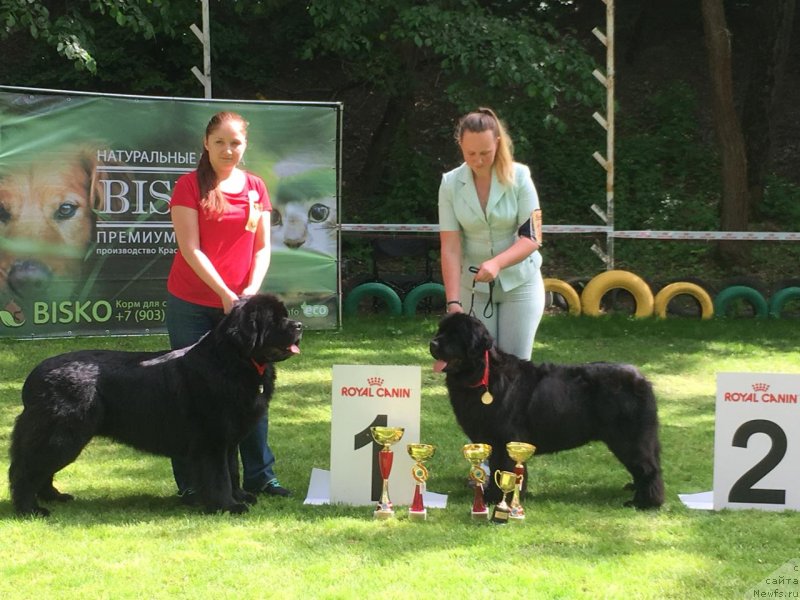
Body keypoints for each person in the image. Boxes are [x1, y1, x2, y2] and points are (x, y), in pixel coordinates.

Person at [165, 111, 290, 501]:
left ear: (245, 145)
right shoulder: (189, 186)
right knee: (189, 394)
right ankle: (192, 483)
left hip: (242, 311)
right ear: (206, 143)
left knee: (252, 390)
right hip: (192, 304)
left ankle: (260, 476)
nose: (227, 149)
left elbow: (263, 247)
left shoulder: (255, 187)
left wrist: (250, 292)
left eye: (235, 142)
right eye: (219, 142)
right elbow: (191, 249)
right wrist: (224, 294)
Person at [438, 107, 545, 360]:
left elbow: (532, 238)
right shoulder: (450, 184)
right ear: (460, 145)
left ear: (497, 143)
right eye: (471, 153)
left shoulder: (520, 177)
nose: (478, 160)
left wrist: (497, 263)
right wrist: (453, 302)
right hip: (473, 287)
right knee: (476, 363)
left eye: (485, 152)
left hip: (520, 283)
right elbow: (450, 246)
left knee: (516, 367)